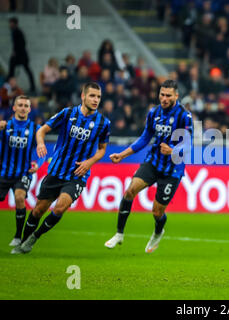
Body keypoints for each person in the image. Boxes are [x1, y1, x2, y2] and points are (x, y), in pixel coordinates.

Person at [11, 82, 111, 254]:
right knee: (38, 211)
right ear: (83, 96)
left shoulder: (103, 123)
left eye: (98, 97)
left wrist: (90, 162)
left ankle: (35, 237)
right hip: (56, 171)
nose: (96, 100)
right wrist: (41, 143)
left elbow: (102, 149)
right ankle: (23, 241)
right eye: (92, 96)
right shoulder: (68, 113)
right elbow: (41, 131)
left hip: (78, 174)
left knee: (59, 208)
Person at [105, 79, 192, 253]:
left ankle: (158, 232)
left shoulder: (184, 116)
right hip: (153, 162)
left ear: (176, 95)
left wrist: (173, 150)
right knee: (130, 191)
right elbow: (145, 138)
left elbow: (188, 143)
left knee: (157, 212)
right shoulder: (154, 113)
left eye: (168, 95)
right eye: (162, 94)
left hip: (172, 170)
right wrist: (122, 155)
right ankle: (119, 234)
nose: (164, 98)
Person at [0, 95, 40, 246]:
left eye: (26, 106)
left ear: (30, 109)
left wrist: (38, 164)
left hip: (23, 173)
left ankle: (18, 236)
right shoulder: (4, 126)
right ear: (14, 108)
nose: (23, 108)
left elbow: (42, 151)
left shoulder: (35, 129)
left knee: (19, 197)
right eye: (20, 105)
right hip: (4, 173)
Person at [7, 17, 36, 93]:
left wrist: (15, 52)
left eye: (11, 23)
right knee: (12, 69)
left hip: (21, 56)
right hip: (19, 55)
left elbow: (22, 44)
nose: (10, 25)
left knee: (24, 70)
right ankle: (10, 86)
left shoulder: (18, 32)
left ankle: (32, 87)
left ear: (15, 23)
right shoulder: (14, 31)